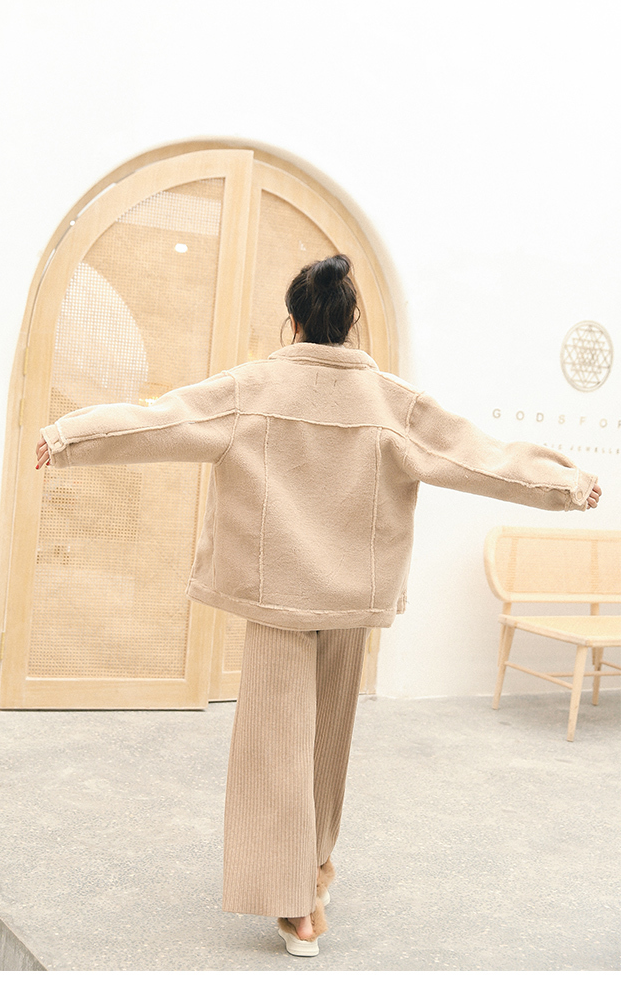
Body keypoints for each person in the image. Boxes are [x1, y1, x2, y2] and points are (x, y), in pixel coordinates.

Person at [36, 254, 601, 957]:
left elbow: (159, 421)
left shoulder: (252, 386)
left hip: (275, 594)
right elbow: (477, 454)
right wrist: (565, 484)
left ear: (294, 319)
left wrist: (67, 436)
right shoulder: (390, 402)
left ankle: (296, 902)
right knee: (327, 743)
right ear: (350, 321)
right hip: (351, 596)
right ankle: (312, 870)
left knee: (276, 746)